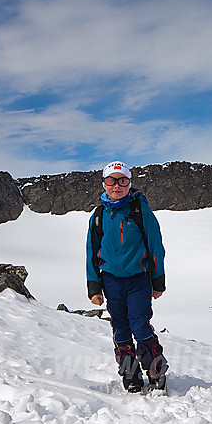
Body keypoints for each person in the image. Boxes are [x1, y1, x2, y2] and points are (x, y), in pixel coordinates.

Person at [86, 161, 168, 393]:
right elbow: (91, 252)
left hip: (138, 280)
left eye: (122, 181)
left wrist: (158, 281)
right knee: (120, 328)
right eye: (111, 181)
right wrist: (94, 287)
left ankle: (155, 371)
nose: (117, 186)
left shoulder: (140, 210)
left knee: (140, 325)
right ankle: (130, 375)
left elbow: (155, 247)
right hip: (111, 281)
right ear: (104, 184)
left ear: (129, 183)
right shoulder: (99, 215)